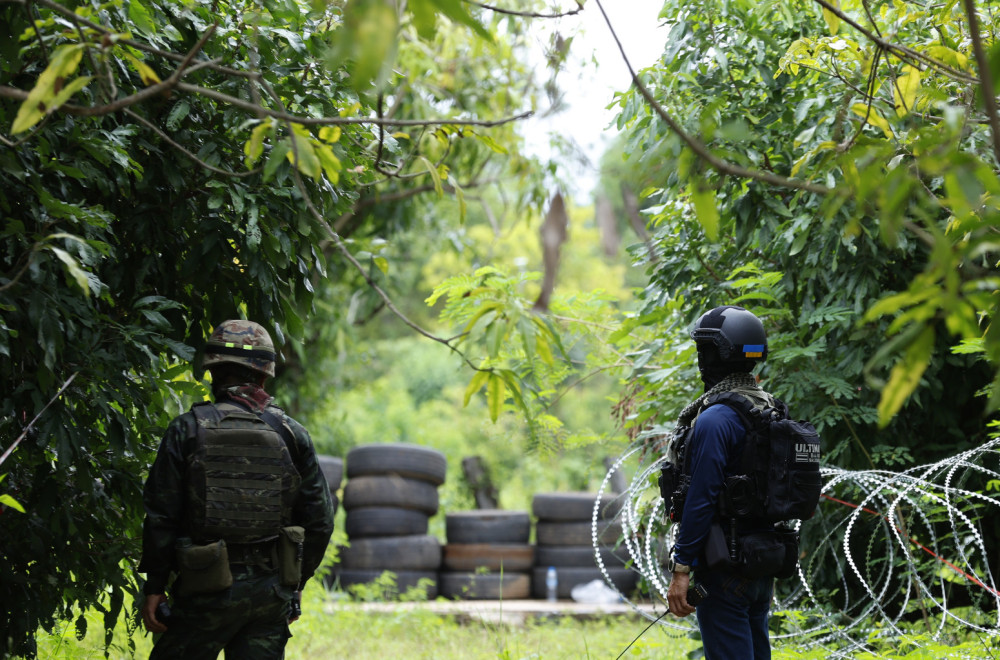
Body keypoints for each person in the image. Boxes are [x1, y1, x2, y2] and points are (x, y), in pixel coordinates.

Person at [139, 320, 335, 659]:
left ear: (213, 372)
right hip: (270, 592)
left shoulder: (187, 430)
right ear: (265, 374)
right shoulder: (292, 434)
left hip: (203, 591)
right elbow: (320, 520)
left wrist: (156, 586)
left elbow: (162, 516)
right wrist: (296, 583)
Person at [665, 305, 778, 660]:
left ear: (719, 353)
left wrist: (681, 569)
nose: (701, 359)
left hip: (723, 565)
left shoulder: (716, 418)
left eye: (705, 350)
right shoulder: (768, 409)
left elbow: (701, 497)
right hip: (762, 561)